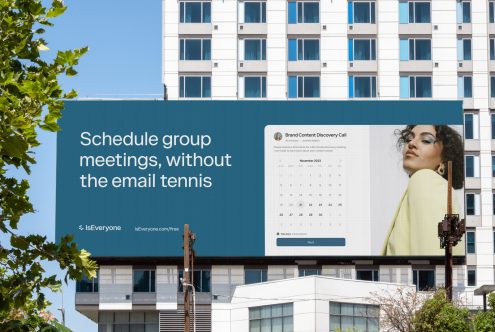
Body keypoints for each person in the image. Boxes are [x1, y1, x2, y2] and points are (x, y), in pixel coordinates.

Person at [382, 125, 464, 256]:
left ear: (444, 159)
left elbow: (431, 262)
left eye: (426, 140)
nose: (411, 144)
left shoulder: (425, 179)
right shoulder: (440, 188)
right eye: (408, 139)